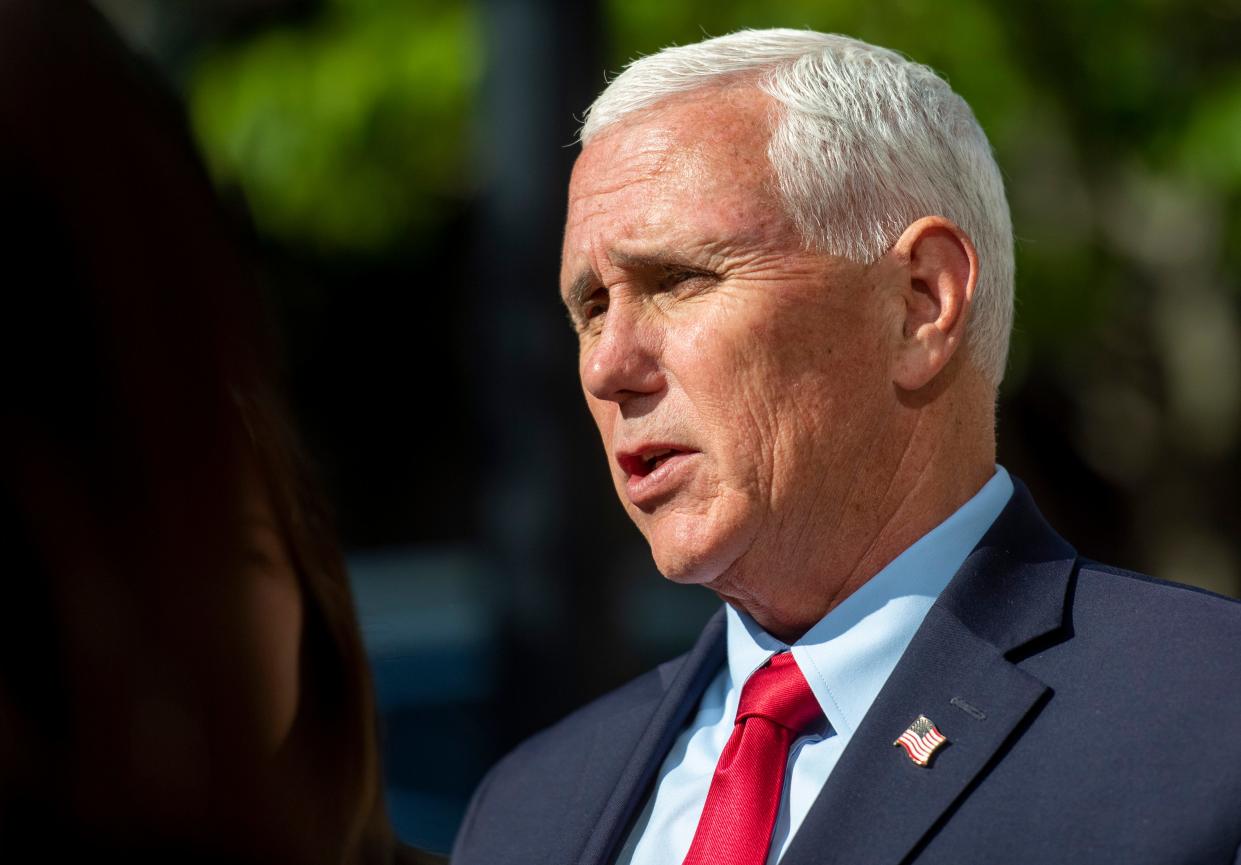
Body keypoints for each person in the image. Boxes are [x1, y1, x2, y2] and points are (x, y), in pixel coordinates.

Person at [451, 28, 1241, 865]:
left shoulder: (1207, 721)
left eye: (678, 279)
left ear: (918, 303)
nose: (609, 364)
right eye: (591, 307)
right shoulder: (525, 809)